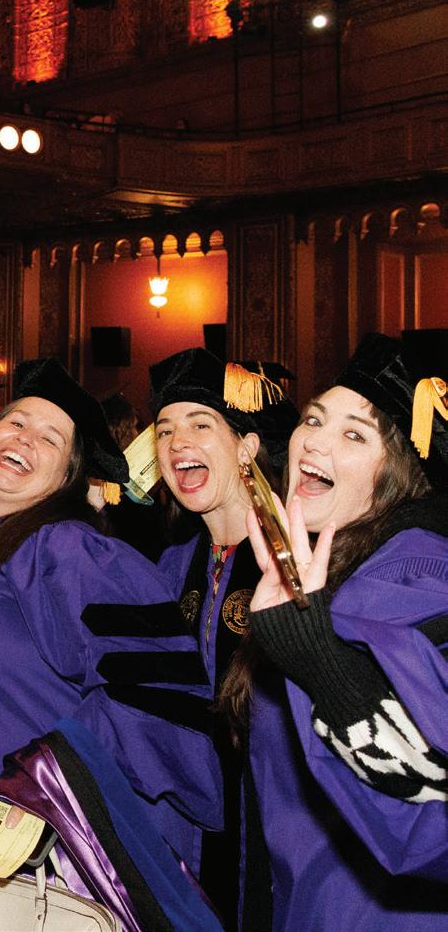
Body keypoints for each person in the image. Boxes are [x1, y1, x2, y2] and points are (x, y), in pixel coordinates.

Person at [0, 357, 219, 928]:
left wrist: (42, 786)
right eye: (16, 421)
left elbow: (147, 693)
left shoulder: (69, 550)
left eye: (50, 438)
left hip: (34, 858)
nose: (25, 439)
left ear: (70, 474)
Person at [227, 333, 448, 930]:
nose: (314, 442)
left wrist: (319, 655)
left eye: (355, 435)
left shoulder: (418, 572)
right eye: (313, 419)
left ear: (398, 475)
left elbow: (432, 807)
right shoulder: (339, 561)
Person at [147, 348, 296, 925]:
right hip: (183, 836)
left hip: (275, 835)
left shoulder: (295, 564)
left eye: (200, 424)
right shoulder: (166, 569)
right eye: (164, 430)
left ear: (246, 447)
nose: (176, 441)